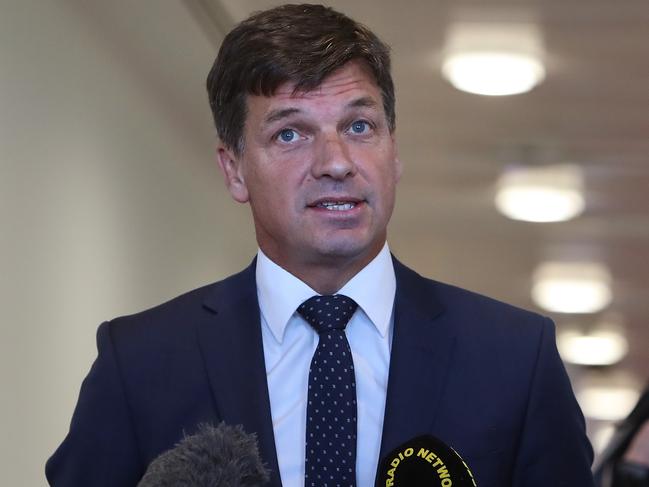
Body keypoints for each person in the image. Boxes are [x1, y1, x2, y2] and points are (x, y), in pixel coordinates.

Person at [46, 4, 595, 486]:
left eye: (359, 126)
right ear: (234, 169)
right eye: (291, 133)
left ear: (394, 152)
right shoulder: (142, 361)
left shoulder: (514, 359)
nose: (336, 162)